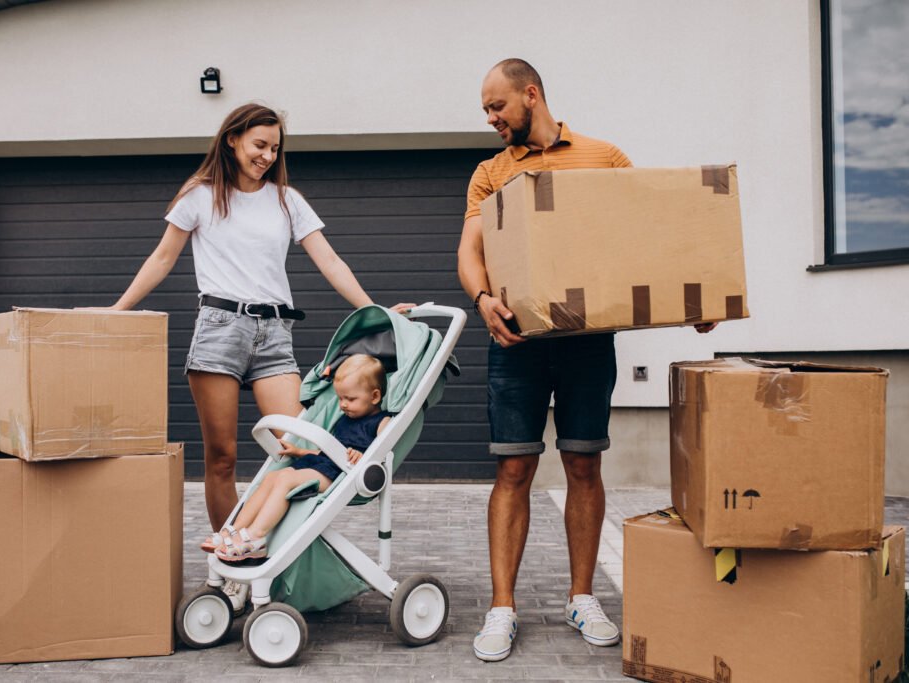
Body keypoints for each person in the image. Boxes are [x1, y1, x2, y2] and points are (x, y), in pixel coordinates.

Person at [457, 59, 715, 663]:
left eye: (497, 107)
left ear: (531, 94)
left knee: (582, 467)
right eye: (486, 112)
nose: (492, 120)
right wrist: (483, 298)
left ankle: (581, 597)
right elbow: (470, 251)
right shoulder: (490, 173)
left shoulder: (604, 158)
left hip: (586, 343)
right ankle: (502, 608)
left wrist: (692, 300)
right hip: (516, 344)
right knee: (513, 472)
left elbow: (646, 243)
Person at [109, 103, 409, 611]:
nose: (268, 156)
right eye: (259, 146)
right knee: (222, 457)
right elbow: (162, 257)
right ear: (232, 140)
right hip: (219, 329)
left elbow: (329, 259)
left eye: (275, 148)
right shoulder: (200, 197)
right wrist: (117, 311)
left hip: (275, 333)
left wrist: (376, 310)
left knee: (298, 445)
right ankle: (233, 571)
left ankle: (272, 550)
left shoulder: (287, 201)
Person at [214, 353, 392, 561]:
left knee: (286, 479)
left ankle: (257, 536)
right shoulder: (345, 419)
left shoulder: (382, 422)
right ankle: (234, 529)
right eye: (340, 398)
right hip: (323, 464)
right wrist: (299, 452)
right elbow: (328, 452)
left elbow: (381, 455)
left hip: (343, 473)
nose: (343, 405)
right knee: (273, 477)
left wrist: (362, 456)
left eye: (350, 399)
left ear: (375, 396)